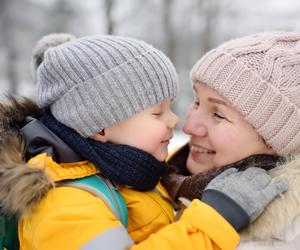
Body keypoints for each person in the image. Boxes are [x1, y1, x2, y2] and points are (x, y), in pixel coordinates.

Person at [0, 33, 286, 250]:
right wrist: (214, 221)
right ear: (99, 127)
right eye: (157, 112)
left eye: (171, 106)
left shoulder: (126, 169)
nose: (176, 122)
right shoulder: (63, 203)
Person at [161, 30, 300, 250]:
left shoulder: (279, 239)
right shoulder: (154, 177)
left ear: (274, 140)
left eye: (218, 114)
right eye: (197, 102)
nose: (188, 127)